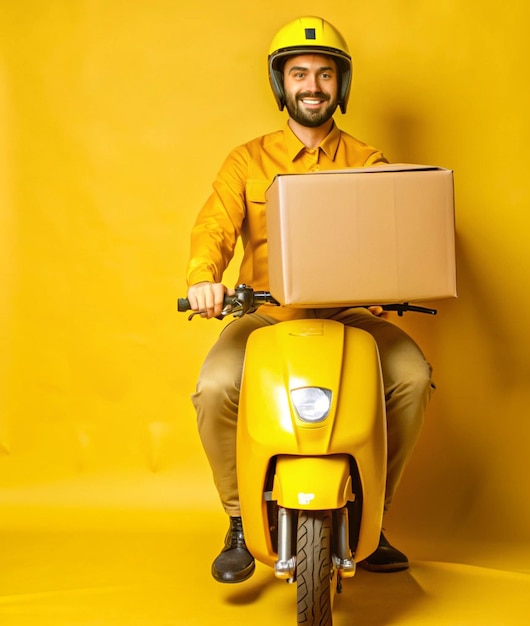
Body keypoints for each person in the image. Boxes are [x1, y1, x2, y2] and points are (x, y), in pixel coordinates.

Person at [186, 16, 435, 584]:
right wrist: (205, 278)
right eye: (299, 74)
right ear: (282, 85)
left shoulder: (368, 160)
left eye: (325, 74)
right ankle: (238, 518)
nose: (313, 86)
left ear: (340, 86)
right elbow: (214, 229)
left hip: (351, 315)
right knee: (216, 386)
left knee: (412, 377)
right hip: (266, 316)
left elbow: (389, 238)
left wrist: (393, 283)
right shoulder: (246, 161)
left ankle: (371, 513)